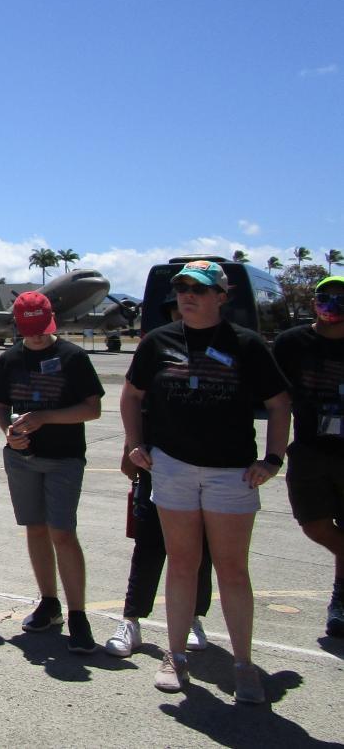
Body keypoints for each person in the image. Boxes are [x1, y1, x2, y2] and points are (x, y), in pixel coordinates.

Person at [121, 259, 291, 704]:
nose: (188, 295)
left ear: (221, 296)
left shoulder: (247, 345)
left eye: (198, 288)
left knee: (232, 569)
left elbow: (279, 403)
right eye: (181, 289)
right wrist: (133, 443)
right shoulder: (157, 342)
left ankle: (243, 664)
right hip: (173, 468)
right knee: (182, 563)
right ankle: (174, 656)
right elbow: (131, 393)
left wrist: (272, 459)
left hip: (230, 473)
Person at [0, 292, 102, 653]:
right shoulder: (9, 359)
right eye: (29, 330)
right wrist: (9, 431)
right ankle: (49, 602)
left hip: (63, 458)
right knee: (35, 529)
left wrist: (44, 418)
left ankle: (78, 614)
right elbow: (2, 408)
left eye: (42, 329)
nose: (36, 337)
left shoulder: (72, 357)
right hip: (21, 459)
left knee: (62, 532)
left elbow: (92, 409)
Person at [105, 294, 214, 658]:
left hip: (211, 465)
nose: (182, 314)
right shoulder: (156, 349)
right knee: (148, 545)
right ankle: (132, 619)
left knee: (201, 549)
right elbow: (135, 402)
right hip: (157, 463)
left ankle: (194, 617)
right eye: (175, 310)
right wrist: (130, 450)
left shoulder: (225, 349)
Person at [273, 274, 344, 640]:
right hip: (309, 451)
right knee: (313, 524)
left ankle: (340, 602)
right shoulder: (291, 343)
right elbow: (275, 397)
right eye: (325, 295)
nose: (332, 303)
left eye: (340, 297)